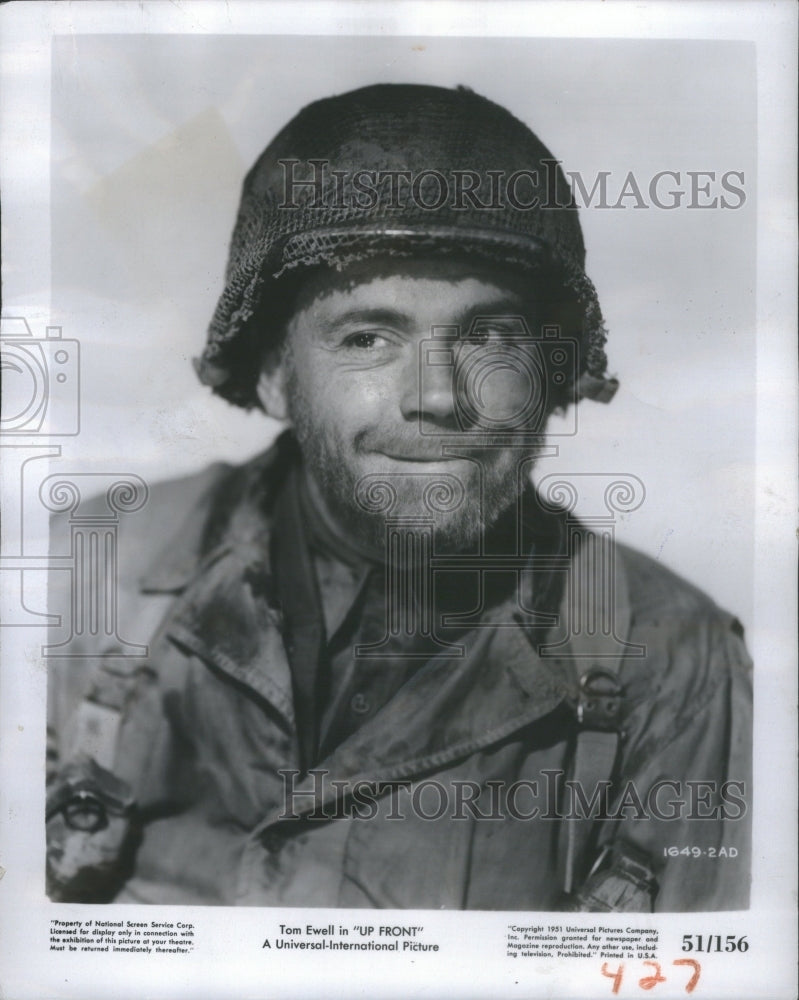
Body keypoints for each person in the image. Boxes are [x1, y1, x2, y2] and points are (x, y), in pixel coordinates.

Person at [45, 83, 752, 910]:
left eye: (490, 335)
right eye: (367, 338)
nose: (440, 397)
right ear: (274, 375)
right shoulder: (90, 573)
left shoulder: (671, 659)